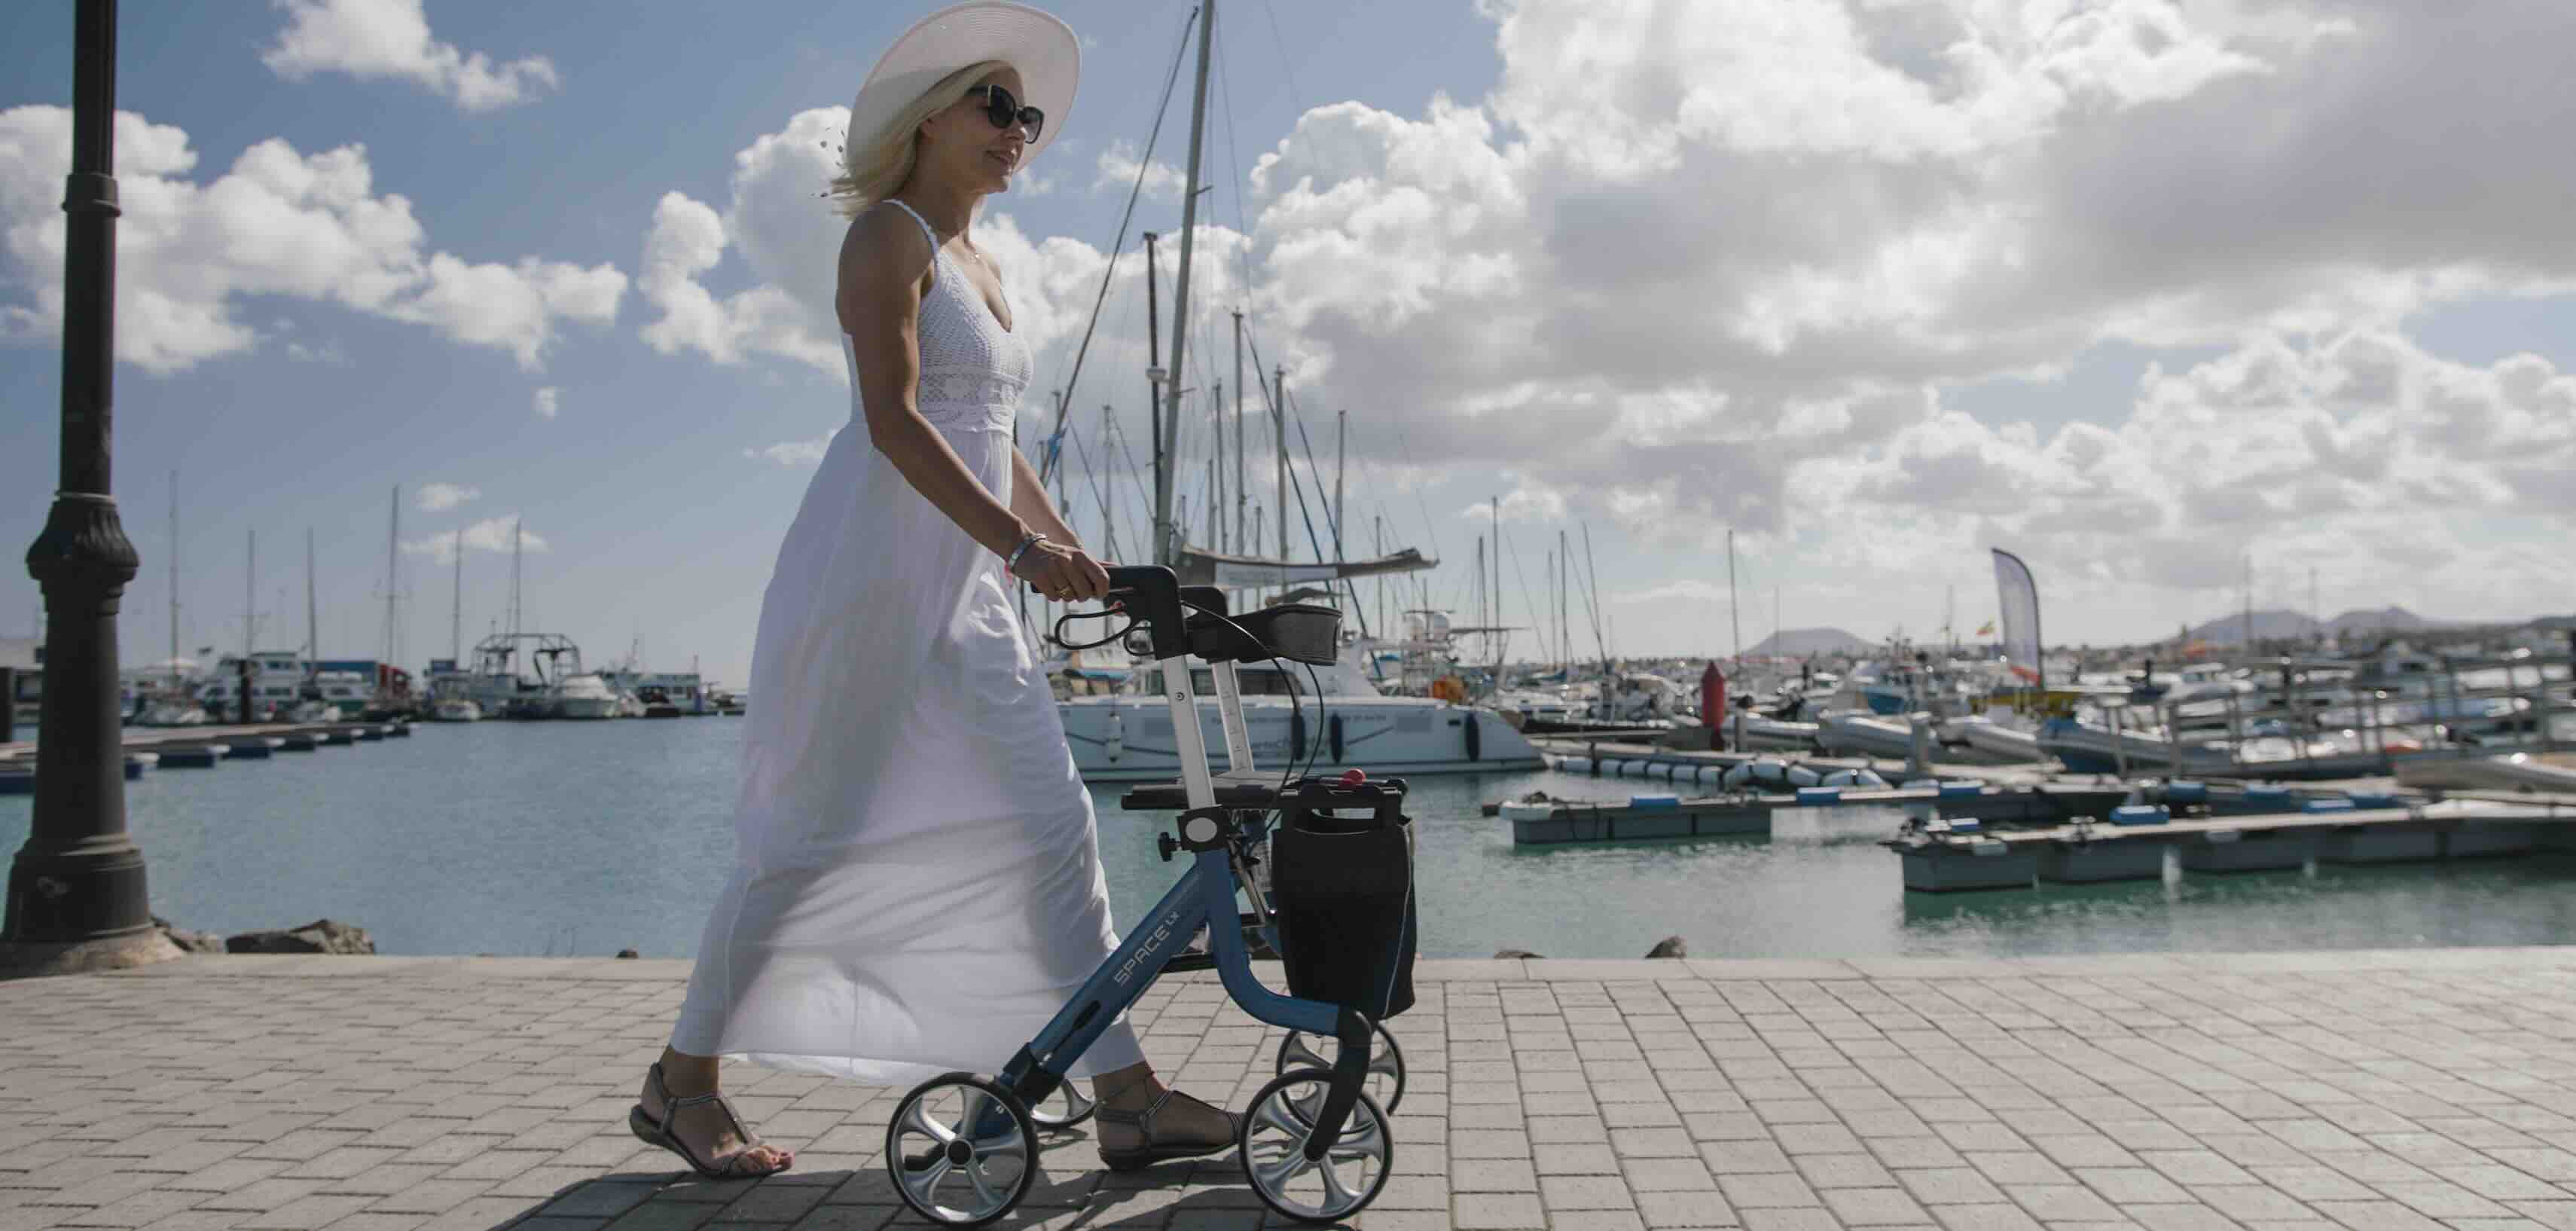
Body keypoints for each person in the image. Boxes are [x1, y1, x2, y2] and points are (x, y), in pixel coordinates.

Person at [627, 2, 1238, 1180]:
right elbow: (896, 422)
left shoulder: (982, 263)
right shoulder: (887, 239)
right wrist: (1019, 547)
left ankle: (1126, 1092)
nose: (1019, 128)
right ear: (929, 118)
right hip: (871, 574)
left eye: (1029, 113)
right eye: (994, 105)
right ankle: (682, 1081)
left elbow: (991, 431)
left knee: (1055, 827)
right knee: (810, 834)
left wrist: (1065, 545)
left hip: (972, 587)